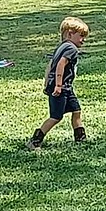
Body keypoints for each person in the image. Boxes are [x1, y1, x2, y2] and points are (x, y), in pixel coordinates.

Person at [28, 17, 90, 149]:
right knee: (56, 117)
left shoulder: (61, 47)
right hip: (61, 87)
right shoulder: (71, 48)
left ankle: (80, 138)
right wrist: (58, 85)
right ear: (70, 34)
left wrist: (47, 83)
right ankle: (35, 140)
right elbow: (60, 64)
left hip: (66, 87)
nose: (83, 40)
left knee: (76, 110)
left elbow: (50, 65)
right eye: (81, 36)